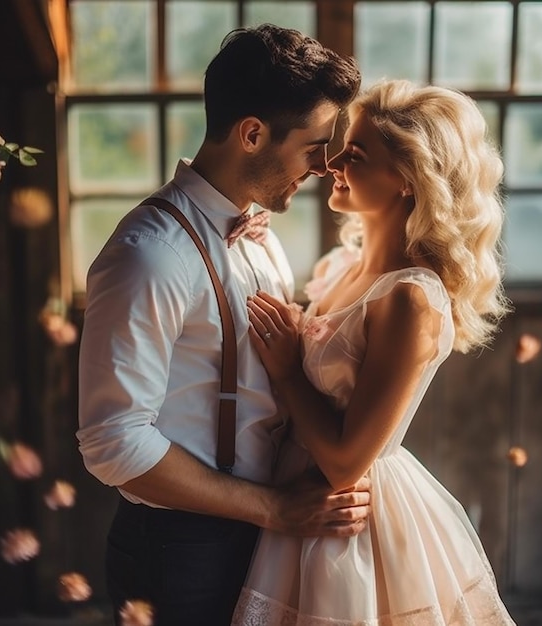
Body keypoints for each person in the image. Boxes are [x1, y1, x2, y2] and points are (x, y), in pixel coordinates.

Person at [76, 24, 370, 626]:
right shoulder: (149, 255)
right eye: (314, 148)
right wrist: (274, 509)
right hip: (179, 550)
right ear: (253, 134)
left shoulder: (258, 237)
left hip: (259, 533)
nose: (322, 167)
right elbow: (114, 443)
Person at [233, 80, 516, 625]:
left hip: (348, 527)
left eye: (355, 154)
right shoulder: (342, 264)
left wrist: (289, 370)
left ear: (408, 180)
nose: (330, 162)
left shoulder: (410, 298)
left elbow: (343, 464)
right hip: (291, 500)